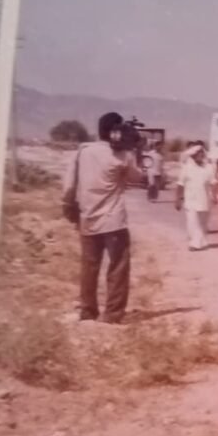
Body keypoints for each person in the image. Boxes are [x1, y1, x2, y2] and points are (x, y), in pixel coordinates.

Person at [62, 112, 145, 324]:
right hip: (114, 221)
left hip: (88, 218)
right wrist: (135, 150)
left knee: (89, 266)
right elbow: (138, 178)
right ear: (115, 131)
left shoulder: (83, 152)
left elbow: (69, 186)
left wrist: (68, 205)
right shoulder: (122, 155)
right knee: (118, 267)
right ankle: (113, 314)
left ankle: (88, 311)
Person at [175, 145, 218, 251]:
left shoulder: (208, 168)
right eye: (198, 153)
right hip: (191, 200)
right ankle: (194, 243)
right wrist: (178, 199)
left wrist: (214, 195)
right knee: (192, 222)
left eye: (202, 153)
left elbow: (213, 182)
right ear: (193, 156)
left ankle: (201, 242)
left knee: (203, 222)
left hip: (204, 199)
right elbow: (180, 184)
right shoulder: (186, 168)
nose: (201, 155)